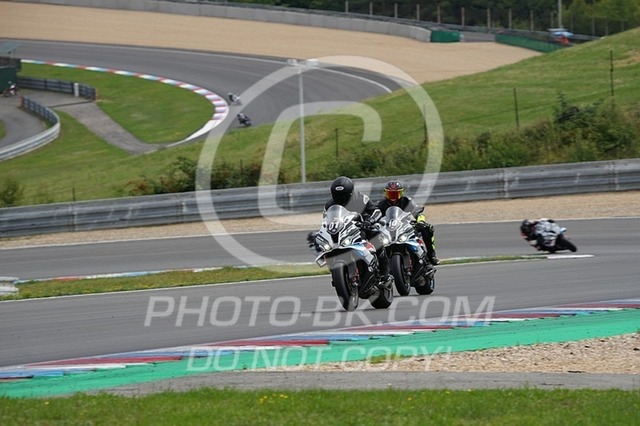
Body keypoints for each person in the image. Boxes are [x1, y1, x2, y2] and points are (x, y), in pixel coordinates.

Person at [307, 176, 390, 281]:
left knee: (377, 235)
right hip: (343, 231)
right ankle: (340, 272)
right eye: (337, 195)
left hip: (362, 226)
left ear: (350, 193)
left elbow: (376, 211)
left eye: (343, 195)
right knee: (322, 243)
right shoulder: (329, 205)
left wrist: (369, 221)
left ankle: (384, 273)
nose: (340, 198)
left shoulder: (360, 198)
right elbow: (326, 221)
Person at [376, 180, 440, 265]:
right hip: (389, 229)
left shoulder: (407, 201)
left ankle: (431, 255)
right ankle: (379, 264)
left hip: (406, 227)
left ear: (401, 193)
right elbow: (375, 216)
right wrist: (375, 225)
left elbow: (418, 213)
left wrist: (420, 221)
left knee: (427, 228)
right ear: (385, 193)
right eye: (390, 194)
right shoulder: (381, 204)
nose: (393, 197)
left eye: (395, 194)